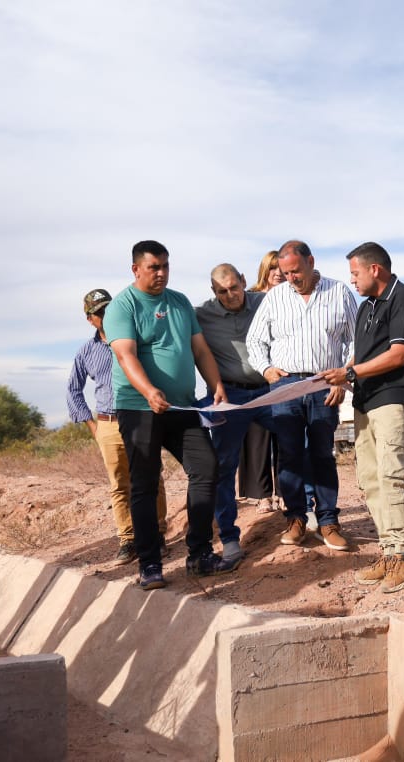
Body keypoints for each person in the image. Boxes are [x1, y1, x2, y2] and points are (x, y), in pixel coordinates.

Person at [105, 240, 236, 589]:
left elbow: (199, 348)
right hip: (139, 407)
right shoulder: (122, 306)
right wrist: (149, 391)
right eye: (153, 267)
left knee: (206, 468)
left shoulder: (178, 302)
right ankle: (150, 563)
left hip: (182, 405)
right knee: (145, 484)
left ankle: (200, 553)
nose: (161, 273)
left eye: (165, 266)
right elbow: (125, 356)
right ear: (136, 269)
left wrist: (215, 384)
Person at [321, 242, 404, 592]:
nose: (352, 279)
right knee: (369, 478)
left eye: (355, 272)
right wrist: (341, 377)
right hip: (365, 403)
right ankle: (390, 550)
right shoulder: (366, 308)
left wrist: (349, 374)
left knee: (393, 474)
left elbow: (398, 355)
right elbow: (360, 359)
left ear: (374, 269)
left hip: (394, 400)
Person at [246, 240, 357, 550]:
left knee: (323, 454)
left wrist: (343, 375)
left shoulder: (338, 292)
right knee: (290, 455)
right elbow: (255, 341)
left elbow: (357, 340)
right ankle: (296, 518)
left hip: (324, 384)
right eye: (285, 272)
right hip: (286, 386)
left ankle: (328, 521)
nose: (291, 278)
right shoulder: (275, 298)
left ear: (311, 261)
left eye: (295, 271)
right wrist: (267, 370)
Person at [66, 288, 168, 566]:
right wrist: (92, 426)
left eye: (109, 309)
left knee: (152, 477)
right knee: (119, 484)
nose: (106, 315)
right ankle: (127, 539)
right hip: (108, 423)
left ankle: (158, 533)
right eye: (100, 312)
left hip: (141, 417)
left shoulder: (135, 340)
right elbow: (73, 390)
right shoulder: (86, 351)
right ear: (90, 319)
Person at [196, 264, 275, 565]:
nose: (230, 295)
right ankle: (229, 537)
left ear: (244, 281)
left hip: (269, 390)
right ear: (213, 292)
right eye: (222, 291)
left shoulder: (266, 302)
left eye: (234, 287)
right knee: (223, 466)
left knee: (298, 446)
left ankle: (301, 518)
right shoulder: (201, 315)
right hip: (230, 395)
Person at [238, 250, 286, 513]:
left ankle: (283, 491)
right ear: (264, 272)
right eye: (272, 268)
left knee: (284, 436)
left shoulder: (291, 297)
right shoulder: (252, 298)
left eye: (281, 268)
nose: (277, 273)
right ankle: (262, 495)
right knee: (257, 438)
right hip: (255, 376)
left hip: (284, 377)